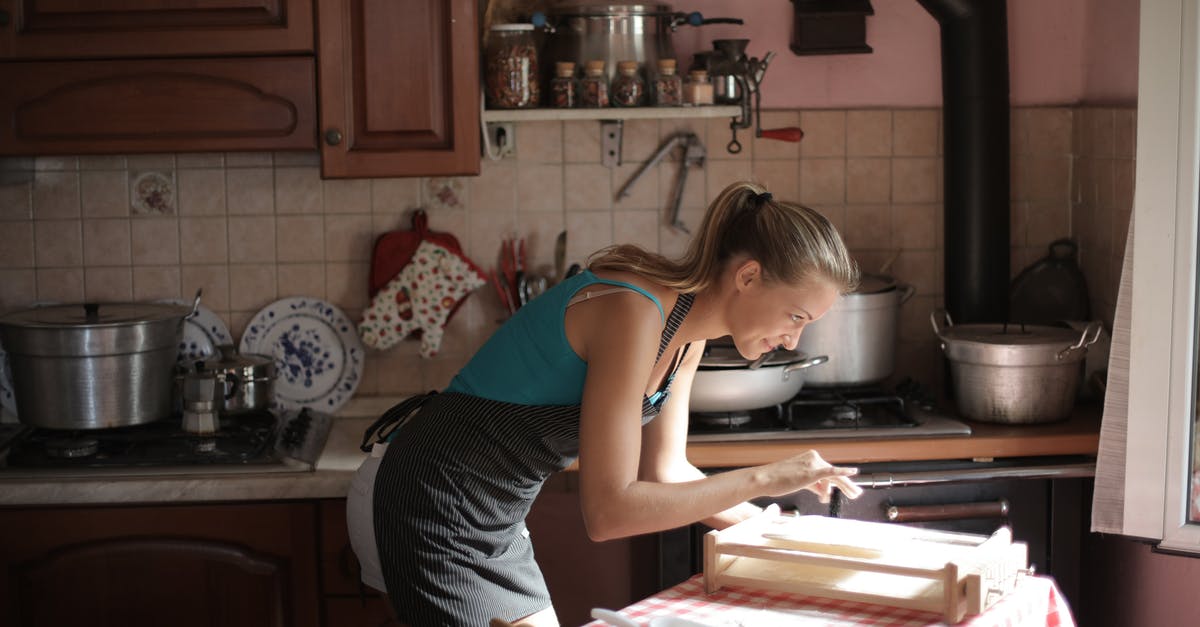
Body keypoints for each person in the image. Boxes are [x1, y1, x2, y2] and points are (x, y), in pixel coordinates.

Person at [346, 180, 865, 626]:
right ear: (748, 277)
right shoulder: (633, 311)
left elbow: (667, 473)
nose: (794, 340)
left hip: (495, 518)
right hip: (430, 502)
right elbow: (609, 512)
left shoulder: (687, 335)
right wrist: (771, 476)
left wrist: (778, 529)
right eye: (796, 316)